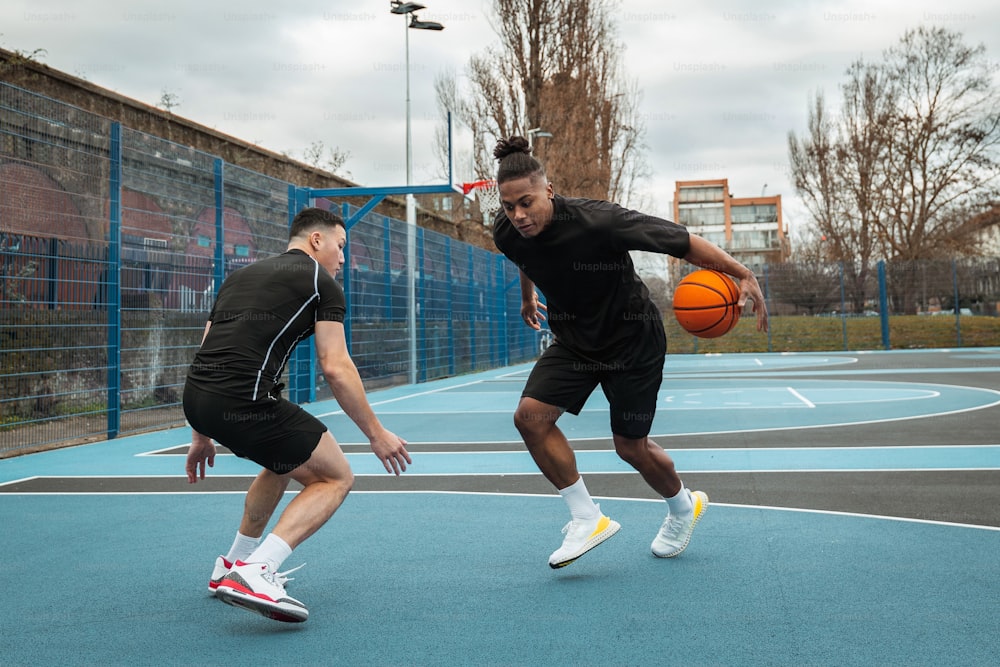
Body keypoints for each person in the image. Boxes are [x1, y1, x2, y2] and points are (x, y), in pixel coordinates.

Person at [491, 136, 768, 569]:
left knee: (630, 447)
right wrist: (528, 298)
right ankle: (587, 517)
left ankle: (682, 507)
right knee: (530, 418)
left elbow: (680, 240)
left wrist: (741, 272)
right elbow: (523, 257)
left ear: (548, 190)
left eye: (526, 202)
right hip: (576, 341)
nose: (518, 215)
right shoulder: (507, 230)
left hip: (632, 340)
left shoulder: (600, 221)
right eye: (509, 206)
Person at [183, 207, 411, 622]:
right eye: (340, 247)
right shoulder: (320, 284)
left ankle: (232, 566)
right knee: (336, 475)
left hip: (198, 396)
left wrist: (200, 434)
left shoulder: (239, 276)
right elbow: (336, 367)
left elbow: (207, 347)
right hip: (243, 400)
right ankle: (258, 571)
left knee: (284, 459)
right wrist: (376, 433)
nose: (344, 258)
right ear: (317, 240)